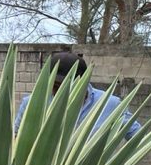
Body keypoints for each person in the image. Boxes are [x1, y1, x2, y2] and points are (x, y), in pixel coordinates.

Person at [14, 51, 143, 141]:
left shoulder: (110, 104)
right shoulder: (31, 104)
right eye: (52, 84)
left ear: (83, 82)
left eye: (62, 86)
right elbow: (15, 140)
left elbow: (137, 138)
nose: (55, 91)